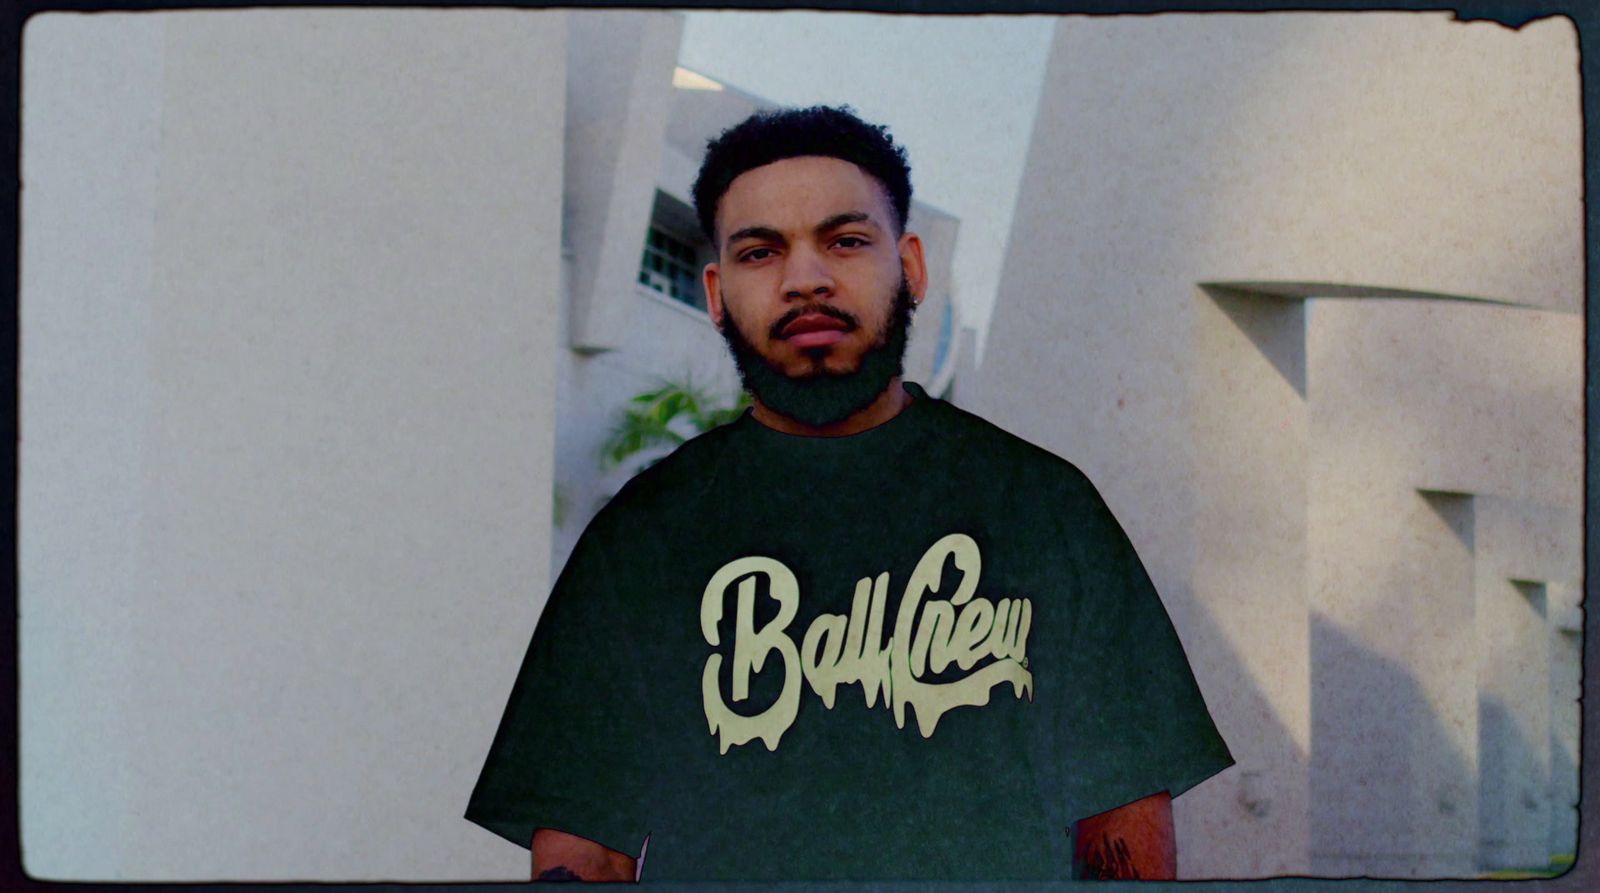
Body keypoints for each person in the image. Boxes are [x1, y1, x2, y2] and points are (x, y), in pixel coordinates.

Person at [465, 105, 1233, 882]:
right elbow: (584, 848)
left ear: (913, 268)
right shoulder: (639, 540)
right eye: (761, 251)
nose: (806, 278)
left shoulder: (1047, 510)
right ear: (717, 292)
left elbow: (1123, 827)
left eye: (845, 240)